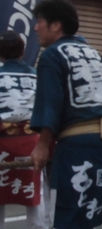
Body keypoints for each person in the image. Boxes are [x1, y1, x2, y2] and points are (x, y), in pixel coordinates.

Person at [29, 0, 102, 229]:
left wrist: (42, 145)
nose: (36, 27)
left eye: (40, 21)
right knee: (89, 215)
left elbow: (50, 103)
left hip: (77, 148)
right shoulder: (96, 55)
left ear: (56, 25)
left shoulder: (53, 55)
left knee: (66, 216)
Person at [0, 31, 44, 229]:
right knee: (35, 190)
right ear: (23, 51)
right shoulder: (36, 75)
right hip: (31, 140)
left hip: (2, 140)